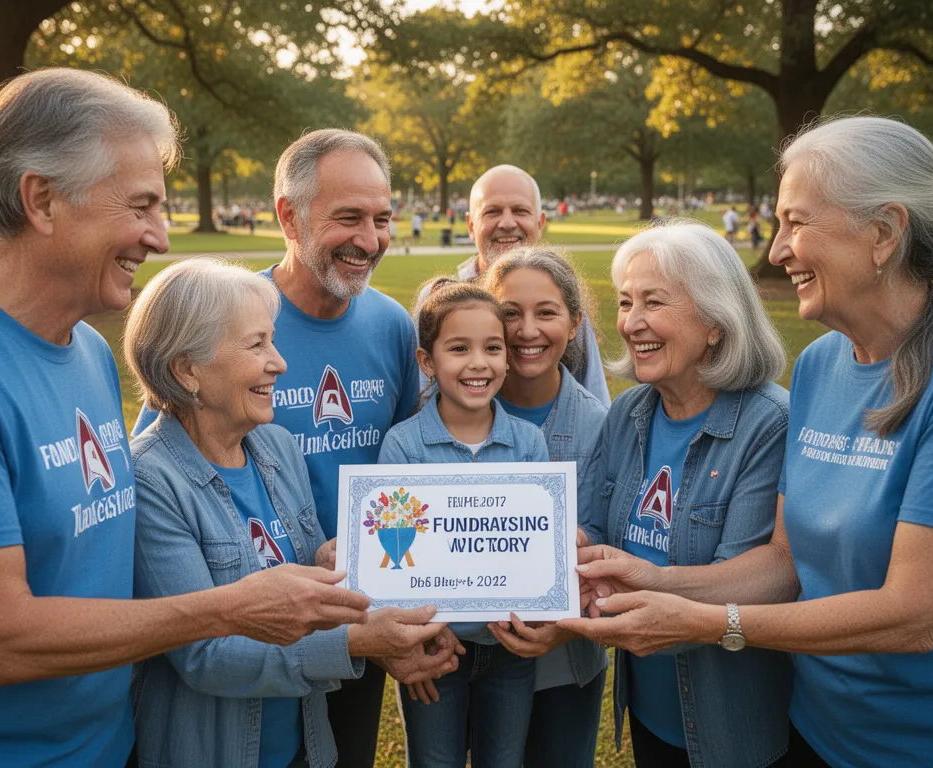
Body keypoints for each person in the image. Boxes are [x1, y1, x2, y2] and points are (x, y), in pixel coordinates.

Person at [0, 69, 371, 768]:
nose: (161, 238)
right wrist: (228, 609)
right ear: (42, 199)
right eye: (141, 206)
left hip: (119, 745)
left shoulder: (84, 347)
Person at [564, 117, 933, 768]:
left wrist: (707, 622)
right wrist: (655, 579)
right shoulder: (819, 366)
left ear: (884, 234)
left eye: (796, 223)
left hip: (922, 747)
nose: (776, 251)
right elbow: (784, 561)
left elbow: (914, 616)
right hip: (810, 730)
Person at [133, 128, 432, 767]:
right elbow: (168, 471)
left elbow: (413, 472)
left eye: (382, 219)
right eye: (348, 217)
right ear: (288, 217)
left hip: (349, 617)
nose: (372, 239)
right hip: (267, 663)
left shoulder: (388, 328)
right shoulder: (221, 318)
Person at [566, 221, 791, 768]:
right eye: (624, 302)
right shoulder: (627, 413)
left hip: (733, 725)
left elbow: (763, 576)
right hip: (649, 710)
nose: (630, 322)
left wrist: (657, 584)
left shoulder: (769, 424)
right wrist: (558, 558)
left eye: (653, 302)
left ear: (715, 322)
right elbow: (595, 530)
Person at [379, 283, 550, 768]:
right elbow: (390, 556)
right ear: (427, 361)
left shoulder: (528, 443)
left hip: (509, 649)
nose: (479, 363)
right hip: (433, 650)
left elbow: (536, 550)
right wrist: (421, 631)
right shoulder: (403, 447)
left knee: (504, 760)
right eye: (459, 348)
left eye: (493, 348)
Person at [480, 246, 609, 767]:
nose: (527, 330)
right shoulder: (446, 415)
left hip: (565, 656)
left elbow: (607, 531)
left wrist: (583, 551)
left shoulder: (601, 424)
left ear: (575, 324)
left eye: (547, 312)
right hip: (471, 651)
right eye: (510, 312)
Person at [422, 164, 611, 406]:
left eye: (520, 211)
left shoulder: (562, 302)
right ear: (470, 226)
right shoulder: (439, 300)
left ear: (540, 223)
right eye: (492, 212)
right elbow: (421, 399)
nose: (508, 223)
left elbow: (595, 401)